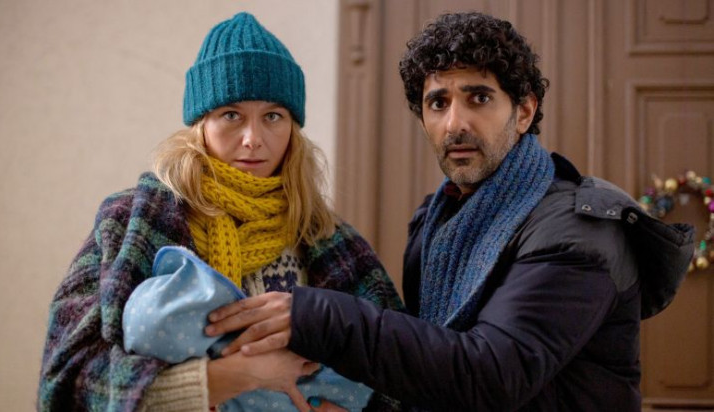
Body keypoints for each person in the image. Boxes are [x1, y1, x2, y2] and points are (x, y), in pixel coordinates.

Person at [205, 11, 695, 411]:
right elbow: (421, 365)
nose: (455, 123)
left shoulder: (577, 230)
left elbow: (491, 374)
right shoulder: (437, 220)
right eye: (438, 103)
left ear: (524, 111)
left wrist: (319, 317)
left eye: (478, 98)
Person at [37, 12, 403, 412]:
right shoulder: (131, 222)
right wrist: (237, 376)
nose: (253, 139)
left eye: (273, 116)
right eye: (231, 115)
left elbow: (401, 367)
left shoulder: (329, 237)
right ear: (202, 124)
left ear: (292, 129)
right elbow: (67, 378)